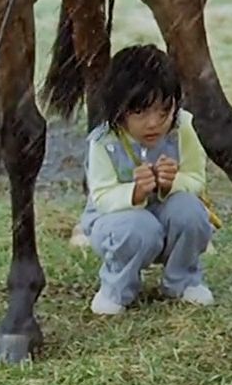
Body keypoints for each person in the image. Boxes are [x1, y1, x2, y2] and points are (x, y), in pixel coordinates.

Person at [78, 44, 215, 315]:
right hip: (116, 221)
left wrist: (171, 183)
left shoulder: (183, 128)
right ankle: (116, 288)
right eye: (140, 113)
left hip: (166, 212)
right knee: (139, 228)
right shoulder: (104, 142)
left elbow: (196, 179)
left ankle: (183, 280)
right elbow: (102, 196)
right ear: (117, 109)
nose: (154, 124)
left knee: (191, 212)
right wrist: (135, 193)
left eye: (164, 111)